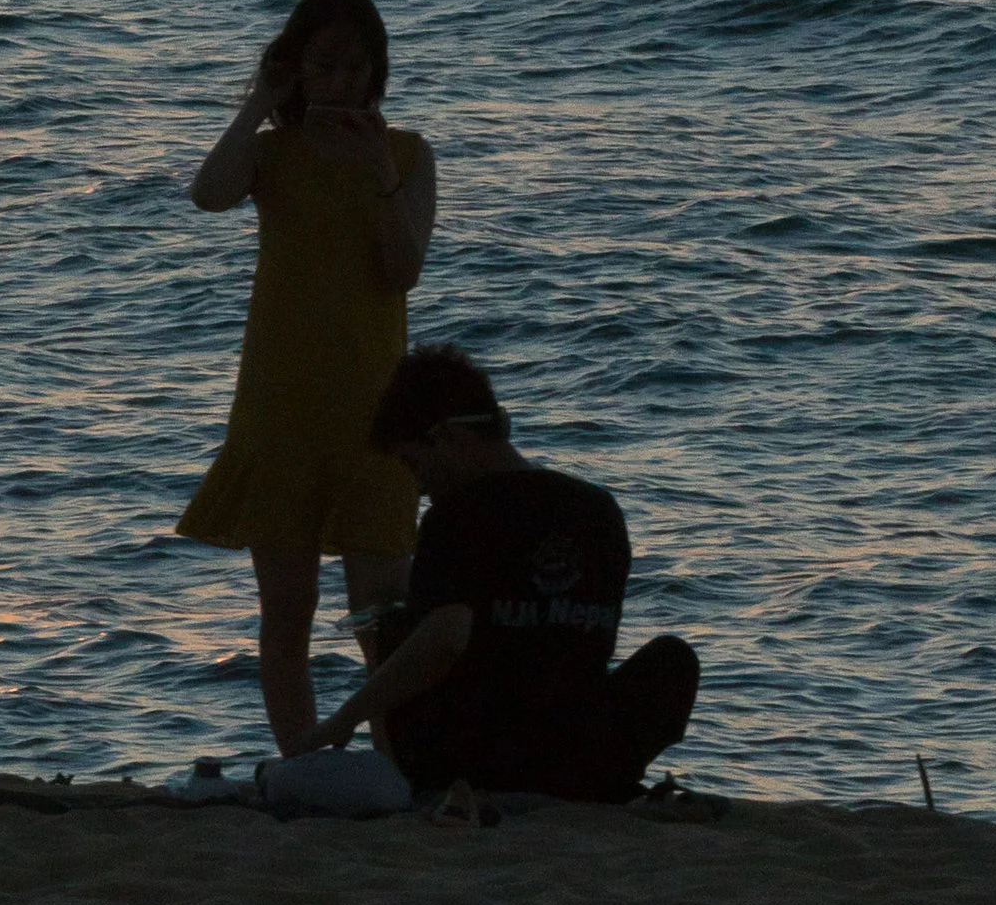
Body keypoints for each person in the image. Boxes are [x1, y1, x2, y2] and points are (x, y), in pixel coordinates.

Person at [177, 0, 438, 756]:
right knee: (285, 611)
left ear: (377, 71)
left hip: (376, 406)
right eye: (323, 65)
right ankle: (302, 765)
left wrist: (376, 175)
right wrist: (260, 100)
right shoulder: (270, 154)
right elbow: (206, 193)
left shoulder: (406, 154)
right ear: (297, 67)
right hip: (280, 400)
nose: (341, 82)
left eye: (357, 67)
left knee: (381, 616)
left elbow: (404, 269)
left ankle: (396, 764)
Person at [300, 343, 700, 802]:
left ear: (446, 436)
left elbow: (446, 639)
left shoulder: (456, 518)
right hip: (581, 753)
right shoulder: (598, 510)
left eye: (414, 463)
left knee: (394, 626)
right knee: (673, 660)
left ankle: (419, 786)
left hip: (480, 757)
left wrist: (343, 718)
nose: (419, 484)